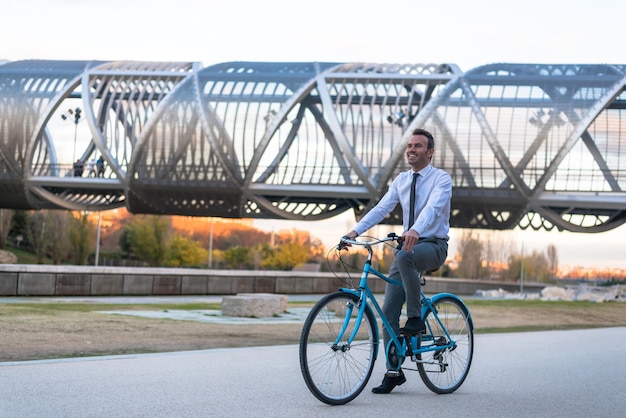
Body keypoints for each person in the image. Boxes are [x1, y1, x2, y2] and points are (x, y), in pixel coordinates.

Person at [343, 128, 452, 394]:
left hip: (433, 244)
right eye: (409, 146)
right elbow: (382, 207)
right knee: (388, 312)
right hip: (407, 246)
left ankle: (416, 318)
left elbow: (433, 207)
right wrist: (355, 231)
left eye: (418, 146)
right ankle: (394, 371)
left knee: (404, 254)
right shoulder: (402, 180)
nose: (411, 149)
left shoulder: (441, 179)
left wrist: (415, 229)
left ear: (430, 152)